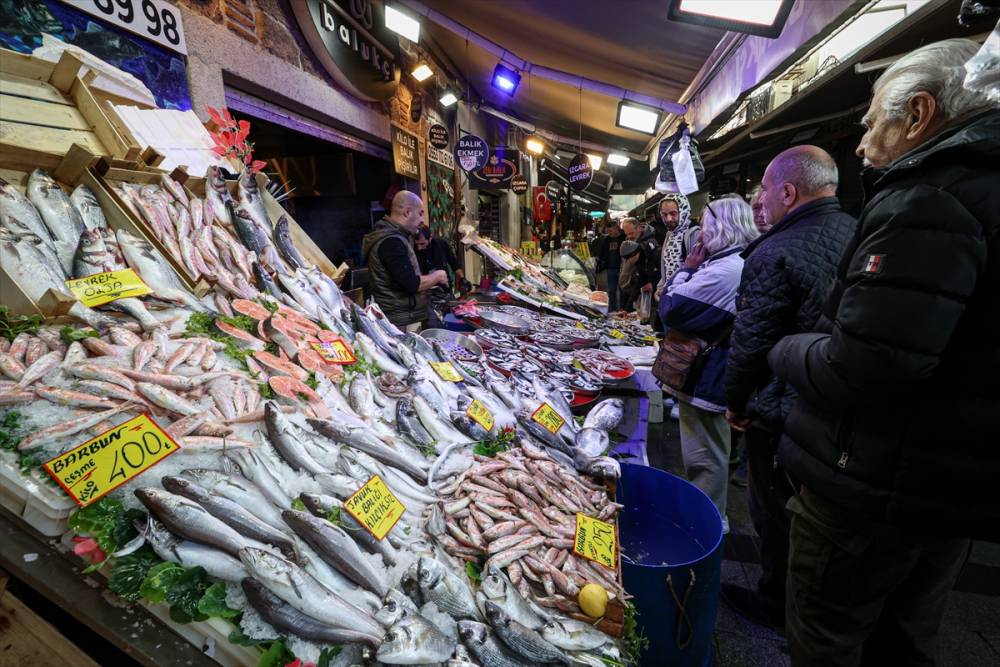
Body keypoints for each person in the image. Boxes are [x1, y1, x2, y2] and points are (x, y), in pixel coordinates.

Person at [767, 39, 999, 665]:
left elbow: (866, 364)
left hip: (870, 486)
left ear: (919, 115)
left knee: (827, 639)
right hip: (947, 486)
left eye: (873, 121)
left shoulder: (929, 199)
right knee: (906, 642)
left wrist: (787, 349)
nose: (863, 141)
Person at [721, 145, 858, 629]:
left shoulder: (776, 250)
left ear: (787, 191)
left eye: (763, 188)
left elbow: (751, 340)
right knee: (813, 514)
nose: (759, 199)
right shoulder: (858, 231)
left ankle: (775, 601)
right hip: (833, 405)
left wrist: (735, 401)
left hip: (780, 407)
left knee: (774, 510)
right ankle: (808, 597)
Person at [658, 197, 759, 533]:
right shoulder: (727, 262)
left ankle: (708, 523)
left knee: (706, 453)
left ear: (723, 227)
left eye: (707, 223)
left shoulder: (726, 270)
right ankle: (704, 511)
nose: (702, 231)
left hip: (708, 374)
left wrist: (685, 269)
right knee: (705, 449)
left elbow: (670, 307)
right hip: (709, 371)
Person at [361, 191, 448, 331]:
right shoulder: (391, 242)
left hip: (405, 316)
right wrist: (438, 276)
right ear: (407, 212)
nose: (422, 220)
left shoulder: (397, 237)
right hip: (401, 321)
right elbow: (411, 284)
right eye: (420, 213)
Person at [414, 226, 464, 327]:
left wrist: (463, 279)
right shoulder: (413, 250)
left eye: (422, 243)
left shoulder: (442, 245)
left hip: (445, 291)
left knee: (451, 322)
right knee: (432, 325)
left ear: (430, 238)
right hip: (426, 295)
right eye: (417, 244)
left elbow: (454, 264)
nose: (419, 247)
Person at [654, 194, 699, 301]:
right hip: (670, 296)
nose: (668, 219)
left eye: (673, 213)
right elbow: (666, 265)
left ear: (684, 211)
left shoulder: (695, 234)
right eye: (664, 215)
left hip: (686, 297)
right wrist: (661, 286)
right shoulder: (669, 234)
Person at [621, 218, 660, 322]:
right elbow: (640, 281)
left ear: (638, 228)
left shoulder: (653, 248)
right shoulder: (636, 250)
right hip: (645, 295)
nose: (629, 237)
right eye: (626, 234)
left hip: (659, 296)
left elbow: (668, 274)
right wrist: (626, 309)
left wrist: (653, 284)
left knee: (655, 321)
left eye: (631, 233)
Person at [596, 222, 624, 311]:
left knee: (622, 290)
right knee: (611, 290)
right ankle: (613, 308)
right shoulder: (607, 239)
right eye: (608, 231)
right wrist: (600, 262)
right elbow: (602, 252)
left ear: (617, 228)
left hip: (622, 269)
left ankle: (622, 308)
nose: (610, 233)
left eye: (611, 231)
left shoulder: (624, 238)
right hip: (610, 268)